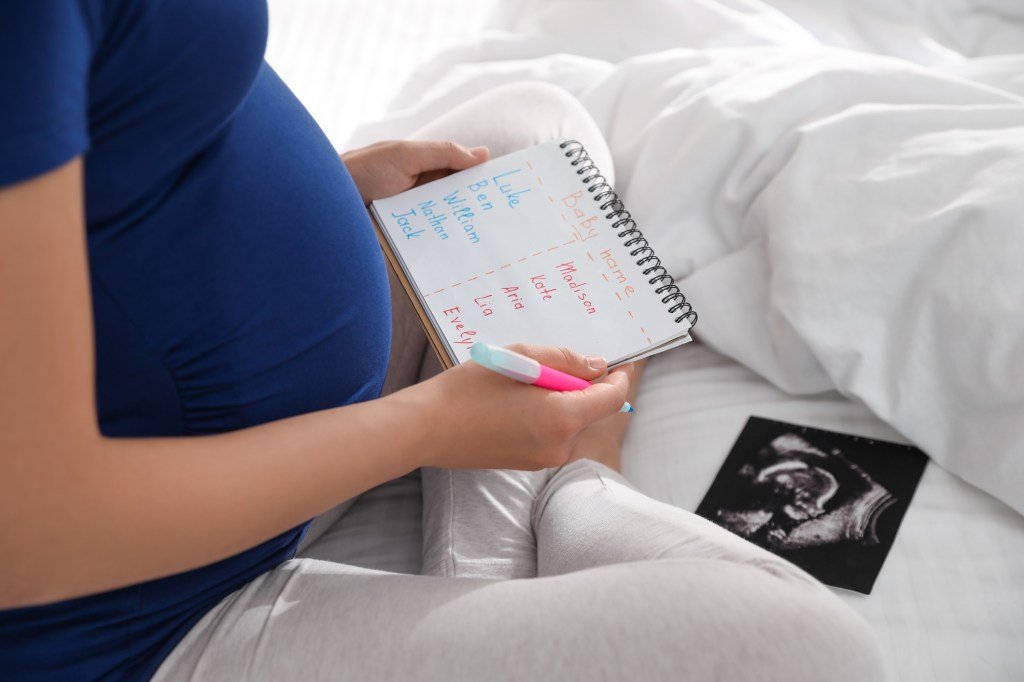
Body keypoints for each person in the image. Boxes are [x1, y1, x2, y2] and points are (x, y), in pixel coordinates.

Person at [0, 2, 887, 680]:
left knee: (529, 130)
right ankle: (582, 479)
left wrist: (335, 189)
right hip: (138, 608)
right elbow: (34, 536)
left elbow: (118, 161)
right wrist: (429, 427)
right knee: (804, 649)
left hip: (233, 409)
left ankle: (500, 545)